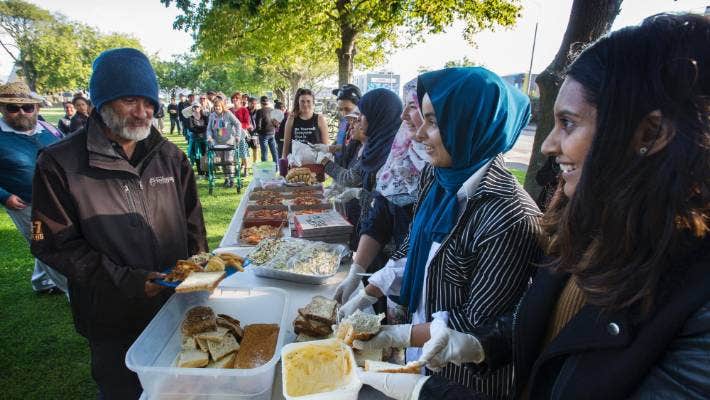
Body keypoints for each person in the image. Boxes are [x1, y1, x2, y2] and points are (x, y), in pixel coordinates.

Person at [359, 13, 710, 400]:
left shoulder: (695, 302)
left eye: (568, 123)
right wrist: (481, 345)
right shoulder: (586, 231)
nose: (547, 145)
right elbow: (532, 324)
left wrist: (424, 390)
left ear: (650, 133)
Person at [350, 68, 542, 399]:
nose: (417, 134)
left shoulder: (509, 217)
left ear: (470, 125)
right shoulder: (438, 178)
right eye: (421, 119)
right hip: (421, 363)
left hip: (461, 385)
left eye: (434, 122)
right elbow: (413, 247)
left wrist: (397, 335)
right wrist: (366, 289)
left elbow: (475, 329)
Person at [30, 48, 208, 400]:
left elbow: (192, 222)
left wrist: (202, 266)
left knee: (183, 386)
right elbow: (51, 243)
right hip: (111, 316)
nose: (143, 113)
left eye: (149, 102)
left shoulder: (170, 156)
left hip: (175, 304)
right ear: (101, 101)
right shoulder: (59, 163)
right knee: (123, 391)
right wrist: (129, 281)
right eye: (129, 100)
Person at [335, 79, 429, 311]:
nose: (403, 116)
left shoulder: (436, 170)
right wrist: (356, 274)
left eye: (413, 107)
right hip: (387, 267)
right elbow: (381, 213)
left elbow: (420, 243)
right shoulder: (401, 155)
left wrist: (371, 289)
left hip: (406, 276)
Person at [0, 82, 68, 294]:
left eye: (27, 107)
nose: (21, 112)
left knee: (62, 239)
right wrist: (4, 196)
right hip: (27, 206)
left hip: (59, 199)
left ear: (36, 108)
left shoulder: (49, 130)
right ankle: (72, 293)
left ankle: (41, 281)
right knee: (44, 244)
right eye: (13, 108)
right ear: (2, 108)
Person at [318, 88, 402, 245]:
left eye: (360, 117)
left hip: (381, 244)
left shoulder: (392, 157)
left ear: (378, 118)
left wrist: (357, 193)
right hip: (368, 231)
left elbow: (384, 207)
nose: (355, 123)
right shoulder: (373, 150)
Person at [207, 98, 246, 188]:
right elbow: (209, 128)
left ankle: (231, 179)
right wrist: (209, 137)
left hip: (229, 141)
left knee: (229, 160)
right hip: (217, 142)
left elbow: (238, 124)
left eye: (219, 107)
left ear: (222, 106)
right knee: (222, 161)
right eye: (215, 107)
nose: (217, 109)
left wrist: (237, 136)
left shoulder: (228, 114)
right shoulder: (212, 115)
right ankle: (226, 179)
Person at [282, 88, 329, 155]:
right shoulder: (291, 119)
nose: (305, 104)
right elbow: (286, 145)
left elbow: (326, 145)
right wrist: (284, 161)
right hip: (296, 163)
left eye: (308, 101)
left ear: (313, 102)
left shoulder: (320, 119)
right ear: (298, 102)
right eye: (302, 101)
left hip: (316, 162)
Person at [332, 84, 362, 164]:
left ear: (358, 107)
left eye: (347, 109)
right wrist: (326, 149)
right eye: (340, 109)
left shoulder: (362, 129)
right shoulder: (343, 122)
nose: (344, 114)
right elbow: (339, 143)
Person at [186, 103, 209, 176]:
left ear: (200, 108)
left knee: (205, 155)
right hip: (195, 140)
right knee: (197, 157)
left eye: (197, 107)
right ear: (192, 108)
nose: (196, 108)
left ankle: (207, 173)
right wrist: (201, 128)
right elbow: (191, 128)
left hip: (204, 139)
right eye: (194, 107)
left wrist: (197, 128)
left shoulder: (205, 117)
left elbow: (207, 126)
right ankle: (200, 173)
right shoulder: (190, 118)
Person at [254, 95, 279, 163]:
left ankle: (265, 169)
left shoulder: (259, 111)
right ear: (268, 102)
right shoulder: (272, 110)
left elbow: (258, 125)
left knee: (264, 153)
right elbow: (276, 124)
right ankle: (277, 168)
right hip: (272, 133)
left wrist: (255, 132)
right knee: (274, 152)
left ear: (261, 103)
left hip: (263, 134)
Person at [247, 96, 259, 167]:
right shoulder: (245, 110)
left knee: (255, 148)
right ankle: (244, 164)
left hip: (255, 133)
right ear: (248, 103)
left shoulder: (258, 112)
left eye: (254, 104)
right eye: (251, 103)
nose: (253, 105)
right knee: (245, 149)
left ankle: (255, 164)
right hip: (246, 132)